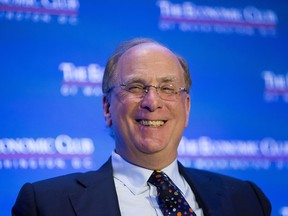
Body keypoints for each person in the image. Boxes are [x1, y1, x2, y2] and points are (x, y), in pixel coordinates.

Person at [12, 38, 271, 216]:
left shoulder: (246, 199)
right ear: (107, 108)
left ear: (187, 107)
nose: (152, 102)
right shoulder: (46, 204)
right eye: (136, 87)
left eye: (168, 88)